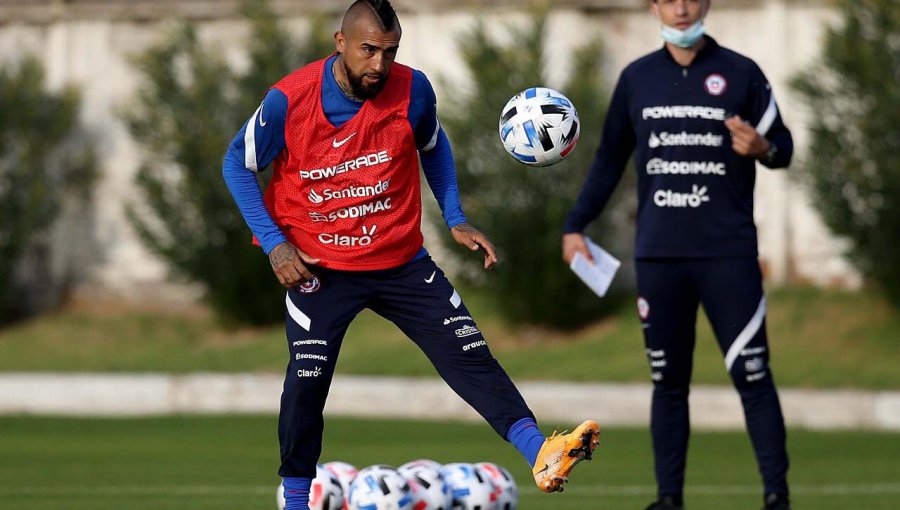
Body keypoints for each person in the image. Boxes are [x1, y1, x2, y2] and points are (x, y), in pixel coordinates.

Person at [222, 1, 598, 508]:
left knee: (469, 356)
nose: (379, 64)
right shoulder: (290, 100)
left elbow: (433, 145)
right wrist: (274, 243)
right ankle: (294, 501)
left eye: (390, 51)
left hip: (400, 261)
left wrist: (456, 216)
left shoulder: (413, 89)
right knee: (306, 384)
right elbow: (236, 165)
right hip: (319, 269)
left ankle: (542, 451)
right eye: (369, 50)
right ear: (340, 42)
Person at [562, 1, 793, 509]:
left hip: (727, 255)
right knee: (668, 384)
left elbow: (784, 146)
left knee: (753, 376)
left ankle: (777, 498)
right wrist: (575, 225)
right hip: (660, 258)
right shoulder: (637, 78)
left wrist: (762, 148)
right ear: (654, 6)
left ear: (706, 3)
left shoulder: (741, 73)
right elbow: (607, 162)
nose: (682, 8)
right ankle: (669, 500)